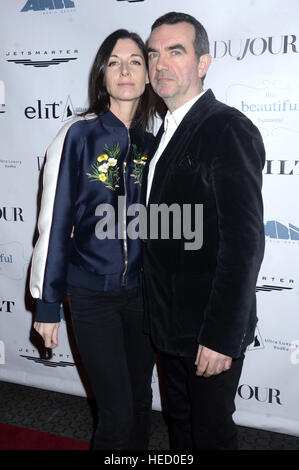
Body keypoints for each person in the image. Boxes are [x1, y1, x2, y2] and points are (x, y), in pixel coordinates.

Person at [141, 12, 265, 450]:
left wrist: (219, 336)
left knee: (210, 437)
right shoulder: (163, 135)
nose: (160, 64)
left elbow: (244, 243)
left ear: (204, 62)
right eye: (153, 54)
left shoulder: (225, 128)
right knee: (182, 431)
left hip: (207, 332)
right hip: (171, 328)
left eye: (176, 52)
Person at [30, 29, 157, 450]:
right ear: (102, 73)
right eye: (115, 62)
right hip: (91, 295)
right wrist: (47, 303)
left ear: (148, 73)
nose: (125, 70)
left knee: (141, 403)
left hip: (142, 296)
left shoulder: (151, 143)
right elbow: (54, 220)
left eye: (135, 61)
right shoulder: (77, 136)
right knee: (117, 412)